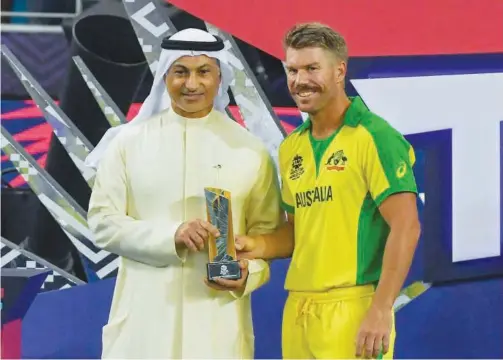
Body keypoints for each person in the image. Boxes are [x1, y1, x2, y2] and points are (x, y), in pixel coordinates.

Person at [86, 28, 282, 359]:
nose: (192, 84)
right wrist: (172, 236)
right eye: (181, 71)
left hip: (218, 330)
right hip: (142, 329)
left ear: (220, 78)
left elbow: (267, 237)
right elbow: (103, 222)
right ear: (165, 76)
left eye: (203, 71)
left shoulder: (250, 151)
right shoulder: (127, 143)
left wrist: (251, 273)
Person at [235, 23, 421, 359]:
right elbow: (298, 231)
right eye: (292, 70)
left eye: (311, 68)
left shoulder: (374, 136)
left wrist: (381, 309)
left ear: (339, 71)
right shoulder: (292, 147)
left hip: (354, 307)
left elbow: (406, 226)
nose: (299, 80)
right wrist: (255, 245)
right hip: (298, 308)